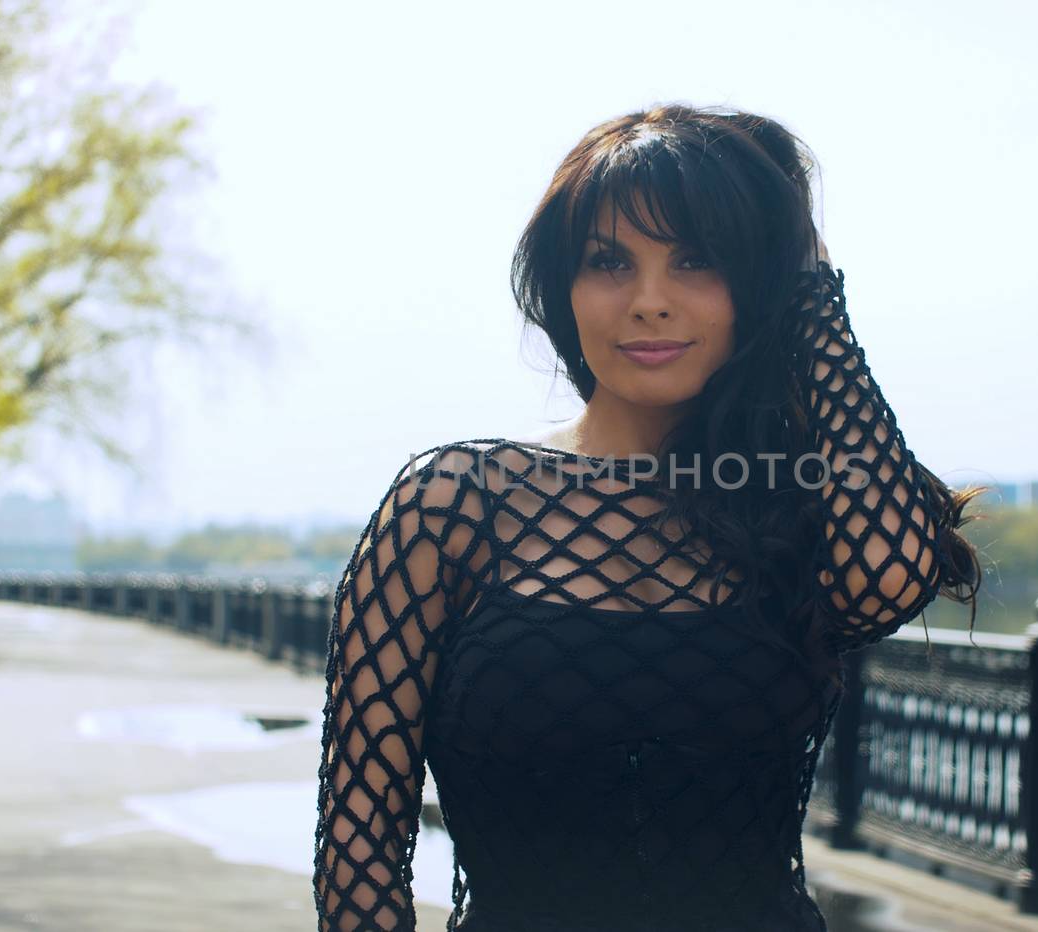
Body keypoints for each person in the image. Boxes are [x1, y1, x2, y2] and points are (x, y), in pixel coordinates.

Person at [313, 104, 986, 932]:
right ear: (564, 288)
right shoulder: (451, 506)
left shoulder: (790, 503)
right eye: (609, 262)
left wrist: (810, 290)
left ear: (757, 288)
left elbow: (890, 580)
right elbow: (361, 853)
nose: (650, 302)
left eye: (697, 261)